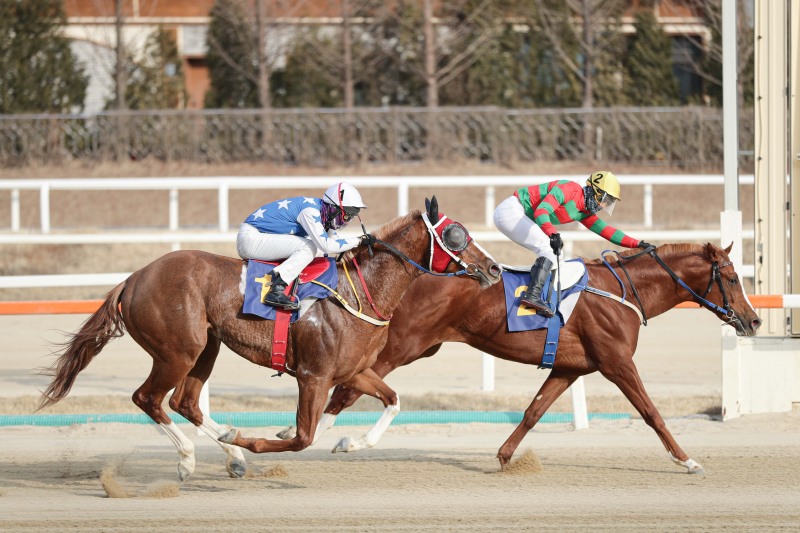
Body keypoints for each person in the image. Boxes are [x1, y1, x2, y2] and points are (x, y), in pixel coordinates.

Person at [493, 170, 652, 317]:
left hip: (520, 216)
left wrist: (637, 243)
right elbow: (541, 211)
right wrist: (552, 233)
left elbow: (608, 231)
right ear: (595, 191)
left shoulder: (584, 213)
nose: (604, 205)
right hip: (511, 211)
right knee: (549, 249)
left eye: (609, 202)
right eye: (605, 200)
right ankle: (532, 295)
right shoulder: (570, 189)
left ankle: (537, 293)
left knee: (554, 253)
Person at [237, 181, 372, 311]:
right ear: (334, 208)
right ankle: (276, 288)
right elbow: (327, 245)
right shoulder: (310, 212)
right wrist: (358, 241)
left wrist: (354, 245)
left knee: (316, 250)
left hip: (257, 237)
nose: (346, 221)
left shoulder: (323, 212)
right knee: (310, 247)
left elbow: (334, 241)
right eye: (346, 216)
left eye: (350, 218)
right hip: (250, 240)